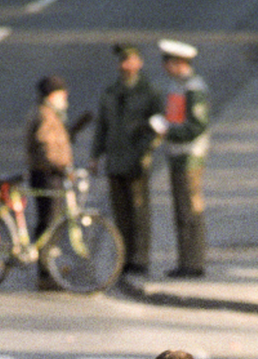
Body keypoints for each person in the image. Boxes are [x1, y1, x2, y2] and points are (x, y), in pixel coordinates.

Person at [89, 43, 163, 275]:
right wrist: (95, 155)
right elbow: (102, 126)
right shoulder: (111, 93)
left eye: (130, 61)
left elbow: (158, 127)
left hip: (137, 160)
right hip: (115, 160)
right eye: (122, 61)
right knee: (121, 213)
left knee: (139, 212)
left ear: (139, 63)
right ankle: (123, 257)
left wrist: (145, 152)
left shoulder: (150, 93)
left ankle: (140, 259)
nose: (126, 65)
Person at [153, 39, 211, 278]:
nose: (165, 67)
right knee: (181, 211)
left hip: (190, 156)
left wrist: (168, 131)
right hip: (177, 155)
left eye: (168, 63)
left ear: (179, 63)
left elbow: (197, 125)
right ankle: (185, 261)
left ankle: (194, 263)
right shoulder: (177, 85)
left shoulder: (193, 88)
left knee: (190, 210)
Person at [26, 75, 74, 289]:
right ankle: (45, 273)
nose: (65, 97)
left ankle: (48, 268)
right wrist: (61, 166)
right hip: (46, 174)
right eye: (61, 93)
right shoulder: (45, 115)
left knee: (50, 221)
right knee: (48, 222)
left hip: (48, 173)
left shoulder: (49, 112)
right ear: (51, 95)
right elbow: (45, 145)